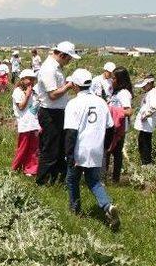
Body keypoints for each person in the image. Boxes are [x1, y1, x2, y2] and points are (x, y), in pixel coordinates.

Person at [64, 68, 120, 228]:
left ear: (74, 85)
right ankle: (108, 205)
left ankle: (75, 209)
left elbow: (70, 132)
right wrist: (106, 147)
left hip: (79, 149)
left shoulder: (73, 103)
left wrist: (69, 154)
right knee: (94, 181)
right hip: (96, 148)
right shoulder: (101, 102)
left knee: (72, 179)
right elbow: (110, 127)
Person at [35, 41, 80, 186]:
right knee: (50, 148)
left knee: (58, 147)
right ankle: (42, 180)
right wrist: (67, 86)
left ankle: (54, 178)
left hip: (57, 112)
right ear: (62, 55)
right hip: (50, 113)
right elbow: (53, 95)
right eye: (69, 58)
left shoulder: (56, 67)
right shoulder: (49, 69)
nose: (69, 61)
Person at [105, 66, 133, 182]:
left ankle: (115, 179)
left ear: (120, 80)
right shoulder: (114, 92)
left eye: (114, 78)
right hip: (111, 127)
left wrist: (113, 111)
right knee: (107, 152)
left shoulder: (124, 93)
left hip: (118, 129)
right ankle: (106, 176)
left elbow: (128, 111)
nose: (112, 80)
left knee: (116, 153)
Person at [11, 69, 40, 175]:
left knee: (34, 149)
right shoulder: (17, 92)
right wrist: (27, 95)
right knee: (23, 148)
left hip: (34, 124)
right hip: (24, 124)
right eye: (29, 79)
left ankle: (30, 169)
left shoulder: (34, 92)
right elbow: (21, 107)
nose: (32, 82)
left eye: (33, 79)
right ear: (22, 80)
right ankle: (15, 167)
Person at [133, 74, 156, 165]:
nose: (143, 87)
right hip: (146, 124)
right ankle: (145, 162)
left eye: (145, 85)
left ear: (150, 83)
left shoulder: (153, 93)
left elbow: (154, 106)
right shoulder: (150, 92)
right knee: (142, 141)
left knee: (145, 143)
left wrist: (146, 115)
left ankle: (146, 163)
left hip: (147, 123)